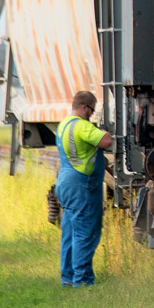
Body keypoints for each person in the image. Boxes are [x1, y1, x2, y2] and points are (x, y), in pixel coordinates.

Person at [55, 90, 112, 287]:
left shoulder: (64, 124)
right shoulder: (81, 126)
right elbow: (106, 141)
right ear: (84, 107)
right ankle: (83, 280)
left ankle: (68, 278)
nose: (91, 115)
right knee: (85, 233)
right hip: (81, 184)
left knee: (69, 233)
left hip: (65, 181)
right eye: (92, 111)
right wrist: (105, 130)